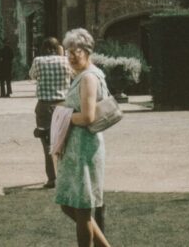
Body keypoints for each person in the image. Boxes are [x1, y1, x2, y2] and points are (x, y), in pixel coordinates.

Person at [55, 28, 111, 247]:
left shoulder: (88, 77)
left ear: (86, 51)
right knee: (70, 205)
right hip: (78, 148)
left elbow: (87, 116)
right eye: (67, 52)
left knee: (81, 209)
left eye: (74, 52)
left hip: (84, 149)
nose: (70, 56)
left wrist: (63, 115)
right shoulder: (85, 75)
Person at [29, 36, 70, 188]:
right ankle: (66, 175)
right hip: (63, 104)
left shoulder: (38, 61)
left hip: (44, 106)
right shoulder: (65, 61)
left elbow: (32, 76)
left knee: (47, 143)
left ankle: (52, 178)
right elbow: (73, 75)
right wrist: (62, 54)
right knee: (64, 142)